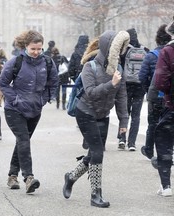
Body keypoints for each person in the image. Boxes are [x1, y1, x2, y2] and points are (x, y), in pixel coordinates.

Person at [62, 30, 130, 207]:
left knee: (94, 153)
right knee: (98, 152)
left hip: (102, 115)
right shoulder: (89, 67)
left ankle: (71, 177)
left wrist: (124, 122)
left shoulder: (118, 69)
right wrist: (111, 83)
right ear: (108, 47)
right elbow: (91, 93)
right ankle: (95, 195)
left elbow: (122, 96)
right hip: (85, 113)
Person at [0, 30, 58, 193]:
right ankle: (28, 177)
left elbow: (53, 83)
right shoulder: (15, 62)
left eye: (39, 49)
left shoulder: (47, 62)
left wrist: (43, 99)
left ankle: (12, 176)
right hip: (14, 109)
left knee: (22, 142)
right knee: (24, 140)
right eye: (33, 49)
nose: (37, 52)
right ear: (26, 46)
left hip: (35, 109)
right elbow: (3, 83)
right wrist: (16, 99)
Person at [139, 24, 172, 160]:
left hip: (154, 95)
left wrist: (148, 90)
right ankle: (165, 152)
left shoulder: (151, 55)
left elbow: (142, 77)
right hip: (168, 95)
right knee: (167, 124)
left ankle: (149, 149)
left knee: (152, 123)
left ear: (157, 39)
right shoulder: (171, 53)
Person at [117, 28, 149, 151]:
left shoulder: (124, 51)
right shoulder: (145, 50)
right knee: (136, 116)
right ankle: (132, 143)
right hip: (139, 88)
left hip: (126, 86)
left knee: (124, 114)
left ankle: (122, 138)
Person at [153, 17, 174, 197]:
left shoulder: (168, 51)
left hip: (172, 105)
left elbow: (160, 82)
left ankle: (166, 185)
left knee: (164, 142)